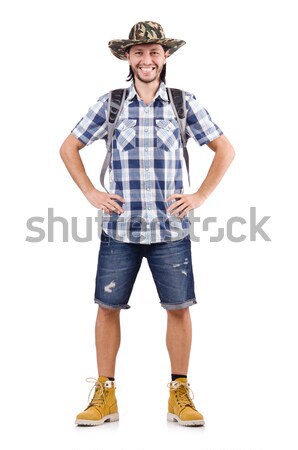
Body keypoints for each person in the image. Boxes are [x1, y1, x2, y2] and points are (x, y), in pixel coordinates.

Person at [59, 20, 235, 427]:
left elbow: (224, 149)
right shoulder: (111, 104)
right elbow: (69, 146)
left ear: (165, 56)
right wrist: (90, 192)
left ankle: (179, 394)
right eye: (138, 52)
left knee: (178, 308)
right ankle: (105, 395)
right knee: (107, 308)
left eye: (154, 52)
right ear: (128, 57)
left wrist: (200, 195)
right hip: (119, 230)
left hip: (170, 231)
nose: (146, 59)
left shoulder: (182, 103)